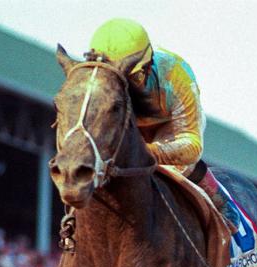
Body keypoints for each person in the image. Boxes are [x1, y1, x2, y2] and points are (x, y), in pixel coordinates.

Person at [86, 18, 241, 228]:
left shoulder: (176, 75)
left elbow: (191, 145)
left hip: (170, 126)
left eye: (130, 78)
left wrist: (143, 152)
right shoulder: (92, 85)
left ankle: (218, 200)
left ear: (147, 66)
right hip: (128, 129)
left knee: (178, 166)